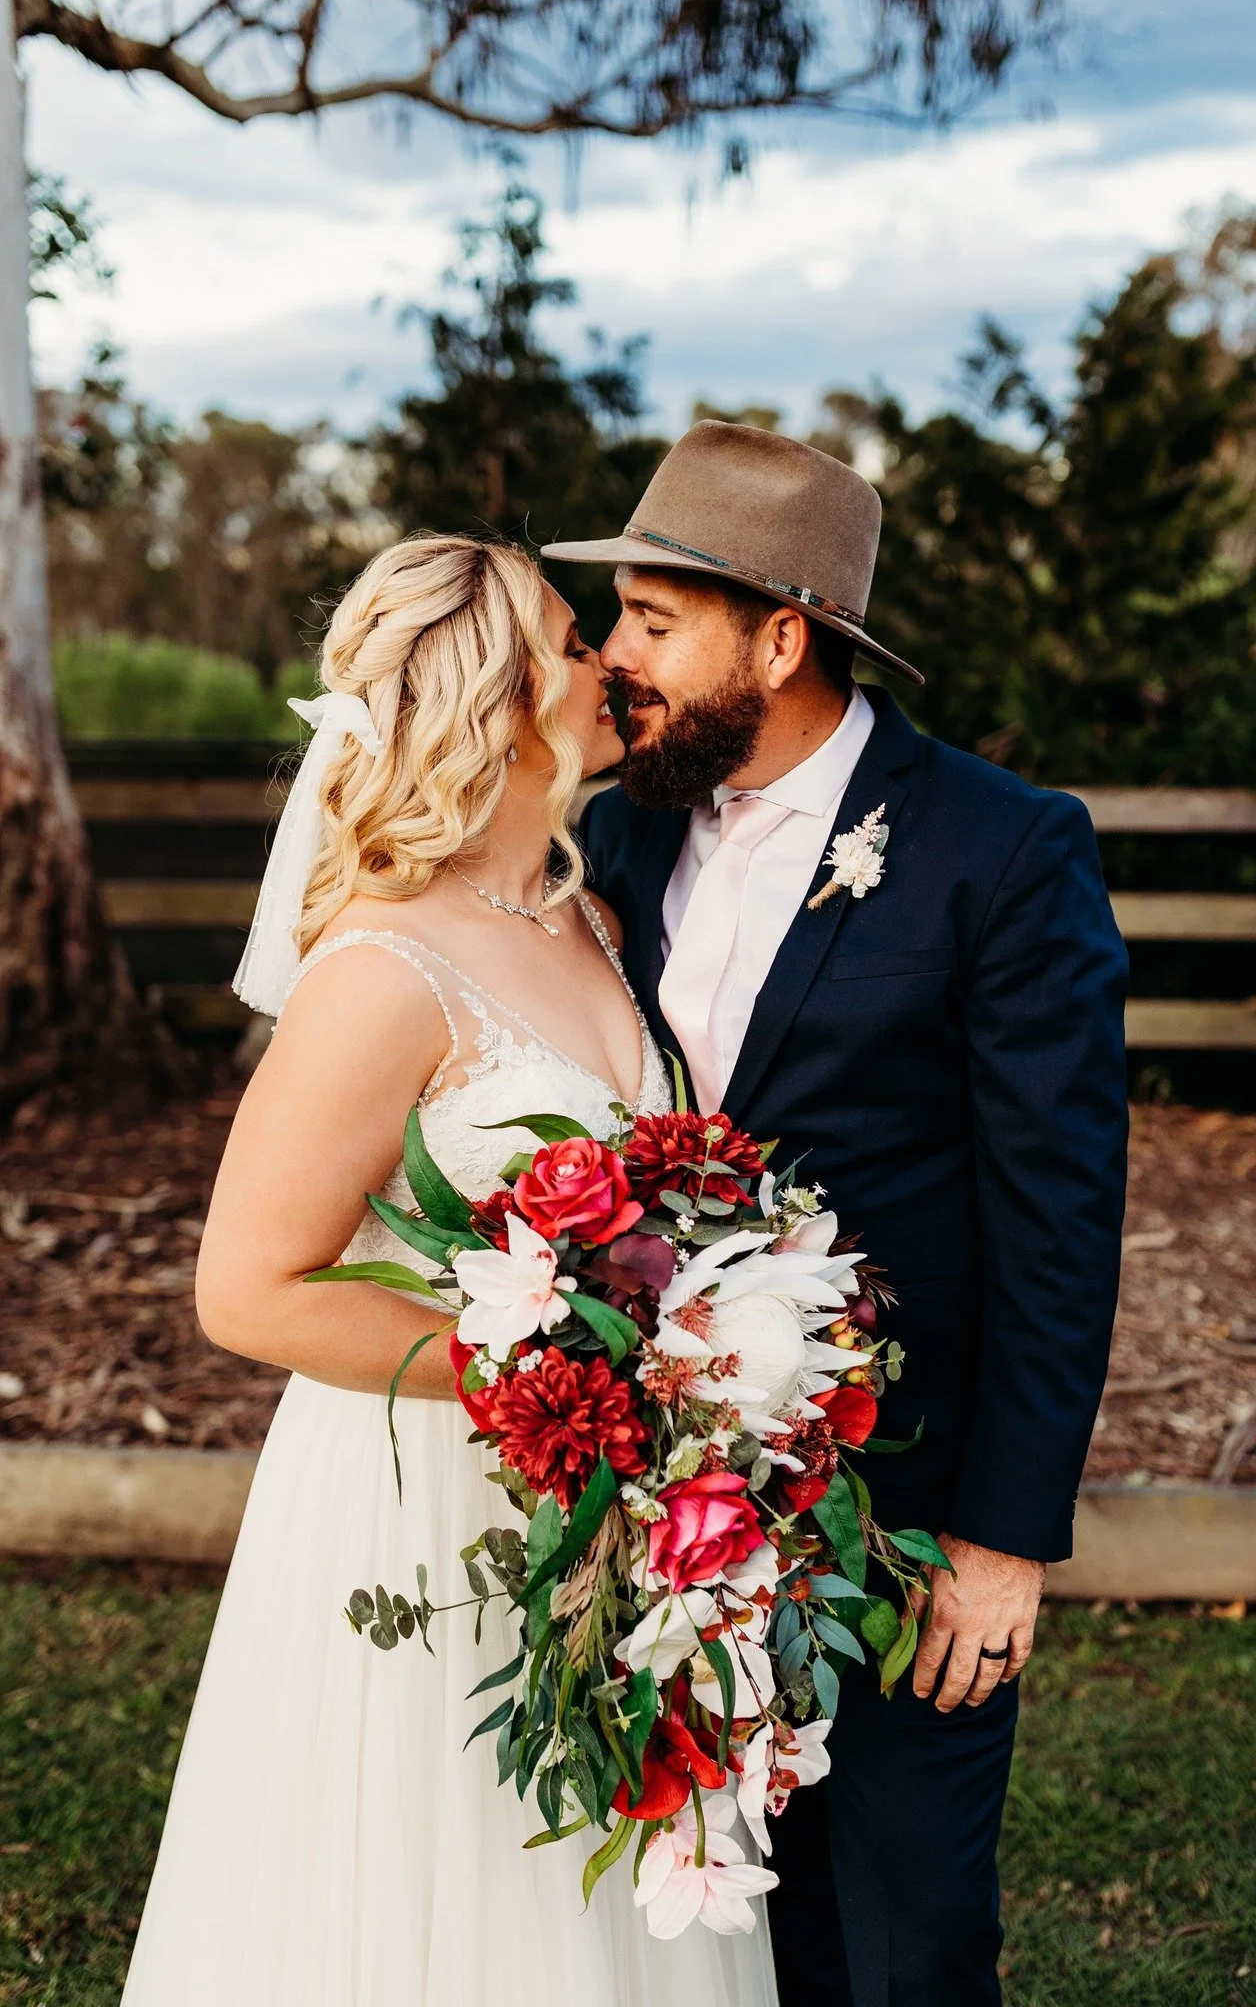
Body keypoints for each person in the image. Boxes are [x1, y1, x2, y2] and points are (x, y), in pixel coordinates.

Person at [120, 533, 779, 2007]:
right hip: (427, 1504)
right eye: (570, 634)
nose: (610, 658)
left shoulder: (590, 917)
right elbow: (248, 1289)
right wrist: (549, 1374)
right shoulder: (380, 971)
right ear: (498, 701)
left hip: (602, 1500)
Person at [544, 419, 1131, 2007]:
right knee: (704, 1915)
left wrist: (1003, 1539)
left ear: (782, 637)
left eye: (656, 620)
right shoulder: (622, 827)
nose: (614, 657)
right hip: (659, 1494)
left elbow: (1060, 1214)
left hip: (905, 1501)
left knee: (907, 1936)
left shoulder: (1000, 851)